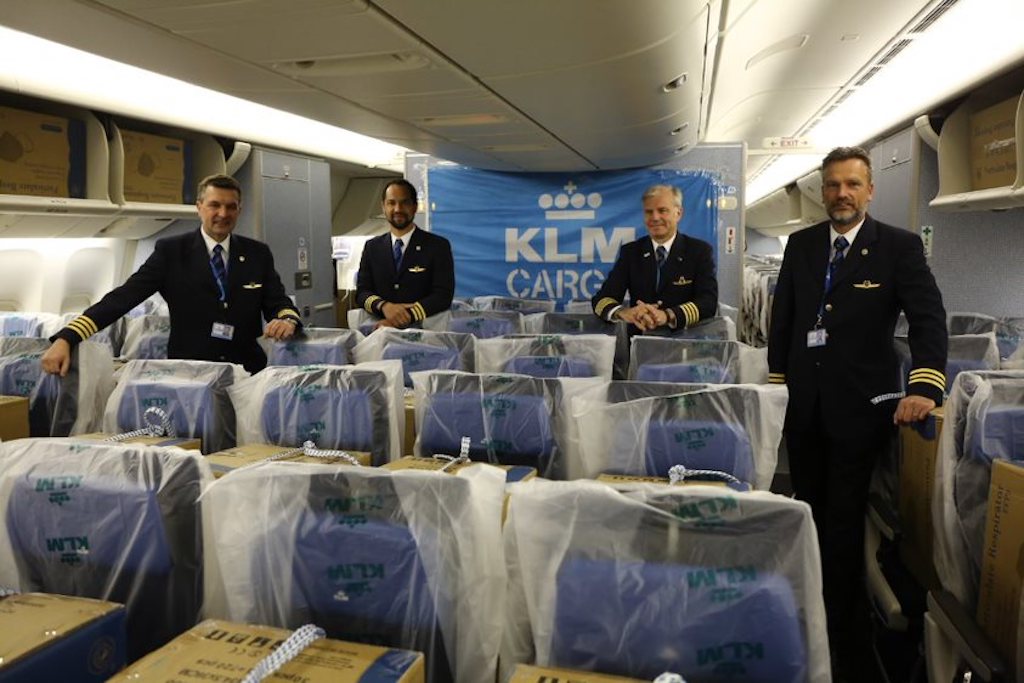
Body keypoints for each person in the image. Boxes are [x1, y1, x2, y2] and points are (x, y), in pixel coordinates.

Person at [767, 146, 947, 678]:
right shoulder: (801, 245)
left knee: (844, 522)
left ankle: (841, 638)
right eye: (832, 185)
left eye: (851, 184)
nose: (841, 194)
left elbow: (928, 320)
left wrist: (924, 386)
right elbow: (784, 318)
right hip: (805, 408)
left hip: (862, 410)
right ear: (822, 192)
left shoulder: (898, 247)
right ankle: (808, 605)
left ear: (870, 190)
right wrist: (778, 387)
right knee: (810, 507)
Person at [42, 174, 301, 375]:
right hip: (191, 374)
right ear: (199, 207)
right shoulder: (172, 252)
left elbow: (277, 301)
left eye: (230, 207)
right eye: (214, 205)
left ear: (239, 210)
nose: (223, 214)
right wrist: (68, 337)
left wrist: (287, 319)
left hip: (248, 370)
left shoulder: (257, 253)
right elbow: (122, 298)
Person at [592, 184, 717, 332]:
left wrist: (667, 315)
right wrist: (624, 313)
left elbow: (708, 303)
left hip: (684, 340)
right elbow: (601, 300)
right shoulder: (631, 252)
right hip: (638, 340)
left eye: (662, 210)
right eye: (649, 212)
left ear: (678, 213)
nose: (655, 218)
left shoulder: (699, 251)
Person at [356, 179, 455, 328]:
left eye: (404, 203)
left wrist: (405, 316)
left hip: (425, 331)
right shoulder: (372, 247)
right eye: (391, 203)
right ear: (383, 207)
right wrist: (384, 306)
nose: (398, 209)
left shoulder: (437, 246)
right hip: (380, 331)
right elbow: (362, 293)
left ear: (415, 207)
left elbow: (443, 295)